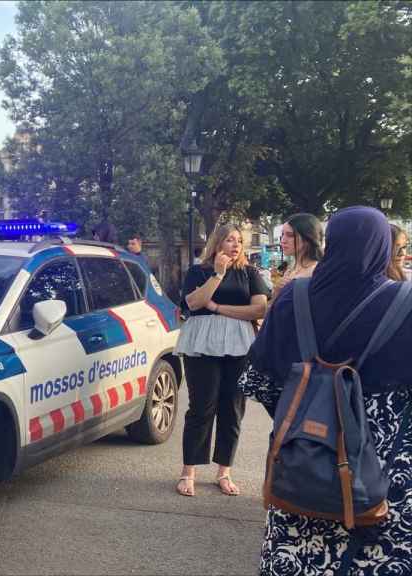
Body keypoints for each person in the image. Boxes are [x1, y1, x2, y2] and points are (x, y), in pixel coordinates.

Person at [242, 207, 412, 574]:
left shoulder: (292, 298)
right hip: (381, 477)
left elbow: (258, 383)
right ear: (383, 248)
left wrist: (307, 417)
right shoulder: (406, 304)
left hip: (304, 465)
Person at [174, 224, 269, 497]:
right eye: (230, 239)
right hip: (202, 344)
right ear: (217, 244)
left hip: (239, 345)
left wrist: (217, 308)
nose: (236, 245)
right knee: (201, 406)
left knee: (232, 408)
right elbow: (192, 303)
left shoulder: (250, 273)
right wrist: (218, 274)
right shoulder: (199, 271)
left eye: (239, 240)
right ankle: (188, 471)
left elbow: (259, 308)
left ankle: (224, 471)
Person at [277, 213, 324, 290]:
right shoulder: (289, 271)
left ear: (307, 238)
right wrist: (277, 291)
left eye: (290, 235)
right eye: (282, 234)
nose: (283, 240)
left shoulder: (316, 272)